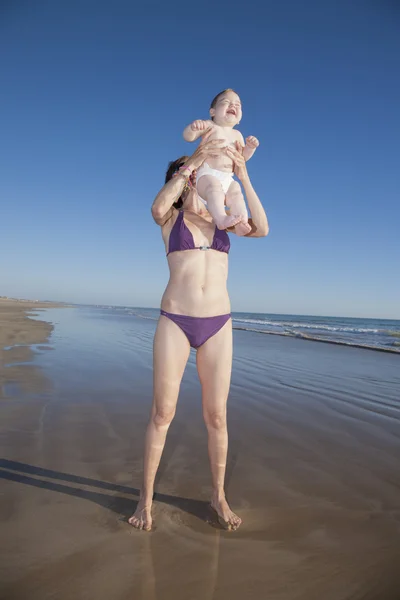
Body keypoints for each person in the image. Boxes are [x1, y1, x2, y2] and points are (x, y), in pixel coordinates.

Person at [129, 130, 269, 531]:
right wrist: (194, 159)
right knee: (162, 413)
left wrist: (242, 176)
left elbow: (262, 227)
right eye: (199, 177)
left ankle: (218, 496)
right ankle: (145, 499)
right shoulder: (171, 219)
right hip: (175, 319)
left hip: (218, 324)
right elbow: (157, 205)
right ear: (189, 181)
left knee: (217, 418)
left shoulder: (225, 223)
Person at [183, 89, 259, 236]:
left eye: (238, 105)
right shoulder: (210, 126)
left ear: (239, 119)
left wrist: (250, 148)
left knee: (236, 192)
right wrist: (193, 128)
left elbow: (241, 158)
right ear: (212, 112)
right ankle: (221, 218)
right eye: (226, 102)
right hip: (207, 175)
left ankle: (240, 220)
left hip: (228, 177)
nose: (233, 106)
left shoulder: (238, 135)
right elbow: (188, 137)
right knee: (214, 187)